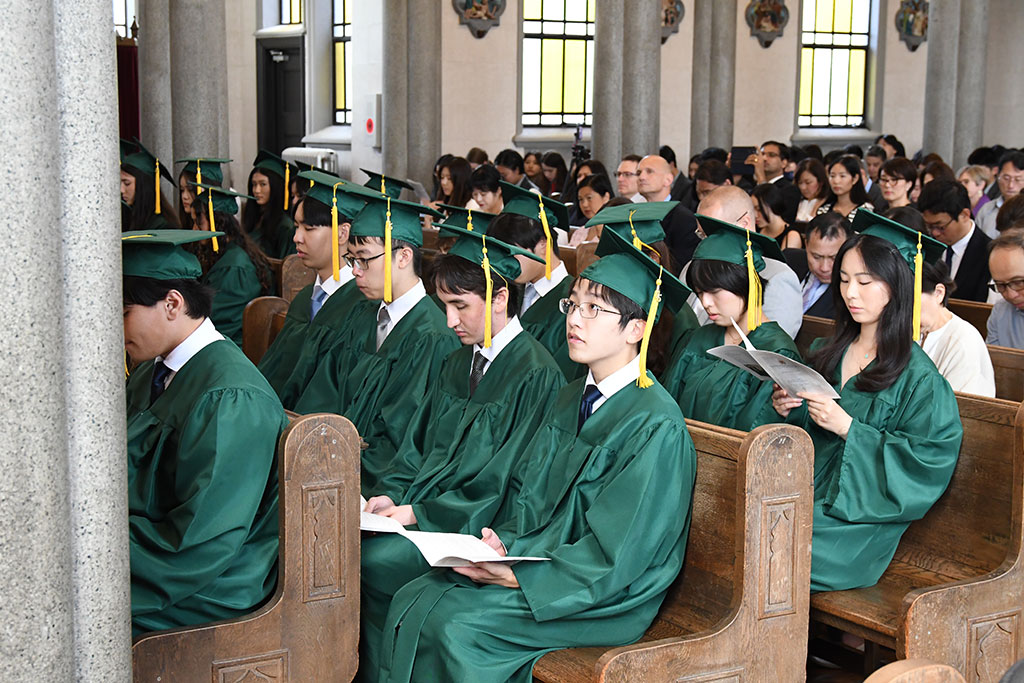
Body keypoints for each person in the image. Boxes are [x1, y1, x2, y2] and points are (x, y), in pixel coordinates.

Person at [373, 227, 697, 683]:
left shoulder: (655, 424)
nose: (575, 320)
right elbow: (528, 497)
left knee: (455, 625)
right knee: (417, 595)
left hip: (602, 593)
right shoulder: (569, 399)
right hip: (541, 564)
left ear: (636, 329)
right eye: (573, 305)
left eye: (594, 309)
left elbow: (620, 554)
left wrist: (517, 576)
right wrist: (504, 545)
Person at [358, 226, 564, 674]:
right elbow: (415, 444)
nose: (450, 321)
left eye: (460, 306)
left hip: (470, 528)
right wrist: (391, 495)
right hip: (421, 514)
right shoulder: (456, 362)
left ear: (500, 298)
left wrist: (418, 513)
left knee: (369, 564)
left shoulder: (536, 373)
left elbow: (504, 480)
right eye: (444, 307)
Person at [772, 210, 962, 592]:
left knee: (772, 546)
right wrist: (786, 410)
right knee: (739, 529)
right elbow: (804, 436)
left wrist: (849, 429)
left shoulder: (919, 379)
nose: (849, 293)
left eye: (864, 281)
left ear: (897, 285)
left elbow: (927, 463)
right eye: (843, 280)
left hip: (857, 523)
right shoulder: (827, 350)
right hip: (804, 494)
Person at [123, 230, 287, 635]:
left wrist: (102, 546)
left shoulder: (232, 398)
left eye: (122, 313)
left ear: (172, 304)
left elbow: (203, 542)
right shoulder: (152, 370)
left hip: (211, 580)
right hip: (153, 548)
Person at [301, 192, 459, 494]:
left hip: (376, 481)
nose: (355, 270)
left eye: (364, 259)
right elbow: (323, 393)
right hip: (329, 459)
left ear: (403, 257)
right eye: (352, 259)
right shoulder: (360, 316)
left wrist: (340, 468)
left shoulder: (432, 336)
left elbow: (404, 435)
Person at [661, 216, 802, 431]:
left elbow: (754, 433)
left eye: (714, 291)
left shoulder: (776, 353)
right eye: (699, 293)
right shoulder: (698, 338)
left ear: (746, 284)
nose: (705, 303)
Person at [257, 171, 379, 409]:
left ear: (343, 233)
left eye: (309, 228)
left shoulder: (362, 304)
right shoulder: (305, 299)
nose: (296, 237)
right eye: (296, 226)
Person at [690, 186, 804, 338]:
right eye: (702, 234)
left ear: (744, 223)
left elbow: (770, 347)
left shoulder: (777, 277)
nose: (709, 243)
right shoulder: (693, 267)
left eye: (715, 233)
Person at [488, 184, 576, 378]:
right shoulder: (509, 291)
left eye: (511, 252)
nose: (504, 262)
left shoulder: (572, 303)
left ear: (543, 245)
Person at [916, 179, 992, 302]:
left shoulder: (988, 252)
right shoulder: (925, 246)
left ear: (964, 215)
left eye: (940, 226)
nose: (935, 233)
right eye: (929, 226)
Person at [637, 154, 702, 270]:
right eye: (638, 173)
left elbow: (682, 265)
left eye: (649, 171)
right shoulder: (635, 215)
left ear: (668, 179)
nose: (641, 177)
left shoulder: (684, 219)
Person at [785, 212, 851, 319]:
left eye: (833, 258)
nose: (824, 268)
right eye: (816, 257)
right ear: (806, 245)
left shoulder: (852, 291)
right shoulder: (789, 262)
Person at [241, 149, 296, 259]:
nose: (256, 190)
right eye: (254, 184)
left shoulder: (285, 226)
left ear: (276, 187)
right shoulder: (254, 217)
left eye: (263, 184)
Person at [121, 140, 179, 231]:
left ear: (144, 185)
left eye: (127, 183)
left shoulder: (163, 226)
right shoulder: (128, 218)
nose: (121, 190)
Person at [746, 140, 802, 222]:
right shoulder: (751, 186)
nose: (764, 159)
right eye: (762, 154)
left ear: (784, 163)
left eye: (771, 155)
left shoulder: (790, 189)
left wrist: (761, 177)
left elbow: (780, 218)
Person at [987, 228, 1024, 349]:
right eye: (1000, 285)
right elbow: (996, 363)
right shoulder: (1000, 312)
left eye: (1018, 282)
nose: (1011, 295)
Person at [977, 151, 1024, 239]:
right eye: (1006, 178)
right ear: (997, 176)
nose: (1010, 185)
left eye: (1018, 179)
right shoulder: (986, 210)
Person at [176, 157, 229, 230]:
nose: (184, 196)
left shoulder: (222, 232)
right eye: (182, 190)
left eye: (190, 190)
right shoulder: (187, 225)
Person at [816, 154, 873, 221]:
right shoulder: (824, 210)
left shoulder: (865, 211)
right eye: (832, 176)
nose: (836, 181)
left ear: (855, 179)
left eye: (842, 176)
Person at [752, 182, 802, 248]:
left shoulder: (791, 236)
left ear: (772, 205)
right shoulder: (756, 230)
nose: (755, 215)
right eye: (752, 210)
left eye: (759, 209)